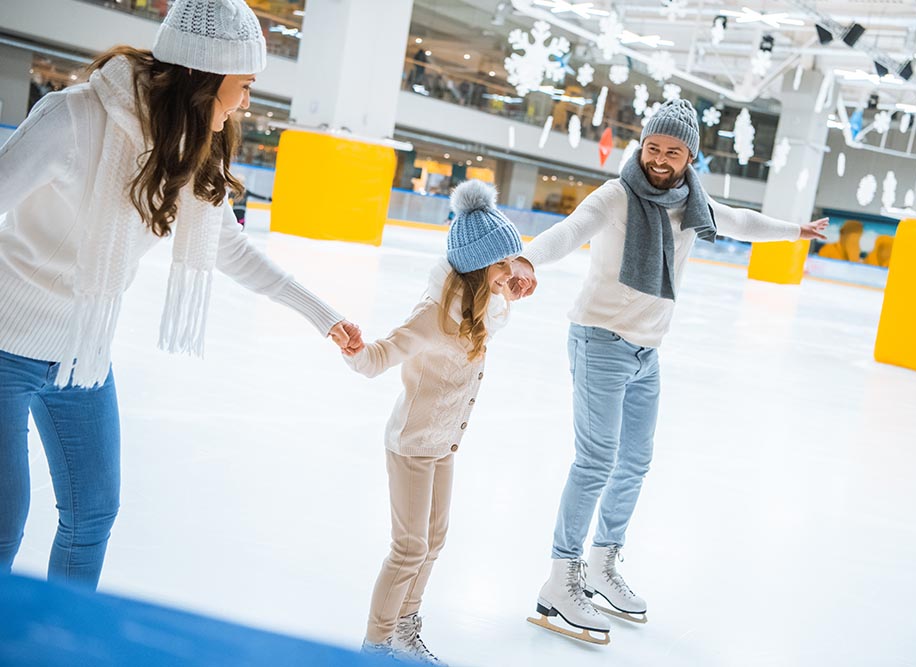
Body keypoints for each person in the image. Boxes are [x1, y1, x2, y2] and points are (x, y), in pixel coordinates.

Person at [0, 0, 362, 591]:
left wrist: (322, 315)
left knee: (92, 514)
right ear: (202, 77)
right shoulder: (73, 118)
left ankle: (63, 647)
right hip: (4, 345)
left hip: (80, 353)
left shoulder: (188, 149)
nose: (246, 101)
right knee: (1, 526)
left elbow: (230, 249)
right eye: (242, 86)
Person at [509, 99, 829, 644]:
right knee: (596, 462)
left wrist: (795, 230)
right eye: (653, 148)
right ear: (643, 147)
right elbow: (571, 229)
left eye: (672, 151)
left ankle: (604, 564)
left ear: (689, 157)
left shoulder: (691, 203)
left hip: (646, 352)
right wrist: (526, 259)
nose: (659, 159)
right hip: (600, 341)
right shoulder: (616, 196)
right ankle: (561, 579)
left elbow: (742, 222)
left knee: (633, 462)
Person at [346, 180, 522, 665]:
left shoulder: (481, 308)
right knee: (409, 547)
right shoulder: (433, 313)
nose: (510, 272)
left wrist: (512, 277)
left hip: (444, 444)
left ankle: (405, 628)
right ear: (475, 265)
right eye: (501, 263)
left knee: (434, 541)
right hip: (411, 445)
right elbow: (380, 355)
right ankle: (376, 644)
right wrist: (356, 349)